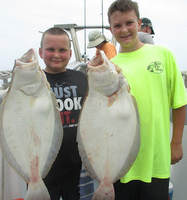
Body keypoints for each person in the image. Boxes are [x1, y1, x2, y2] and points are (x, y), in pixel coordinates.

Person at [108, 0, 187, 199]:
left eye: (129, 23)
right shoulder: (110, 67)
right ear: (111, 28)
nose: (124, 30)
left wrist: (176, 142)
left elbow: (179, 101)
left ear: (139, 22)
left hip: (156, 160)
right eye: (117, 25)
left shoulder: (162, 54)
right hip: (120, 163)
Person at [39, 27, 89, 200]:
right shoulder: (33, 81)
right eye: (50, 49)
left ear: (70, 53)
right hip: (42, 168)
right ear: (40, 52)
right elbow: (13, 101)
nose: (56, 55)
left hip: (77, 166)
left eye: (62, 50)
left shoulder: (82, 79)